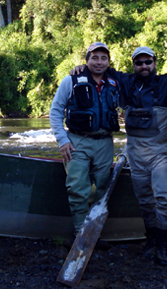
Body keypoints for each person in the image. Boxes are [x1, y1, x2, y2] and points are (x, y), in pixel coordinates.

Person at [70, 46, 167, 265]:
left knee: (165, 197)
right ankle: (151, 240)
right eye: (139, 63)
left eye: (148, 62)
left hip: (161, 154)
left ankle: (163, 246)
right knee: (144, 200)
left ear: (155, 63)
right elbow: (99, 69)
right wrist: (81, 68)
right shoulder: (123, 81)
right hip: (135, 154)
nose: (144, 66)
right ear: (133, 65)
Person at [49, 42, 120, 244]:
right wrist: (62, 140)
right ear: (86, 60)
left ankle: (95, 231)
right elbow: (55, 111)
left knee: (103, 189)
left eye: (103, 58)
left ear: (108, 61)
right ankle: (81, 232)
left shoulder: (115, 82)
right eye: (94, 57)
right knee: (77, 187)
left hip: (105, 142)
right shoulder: (70, 80)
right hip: (77, 141)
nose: (99, 62)